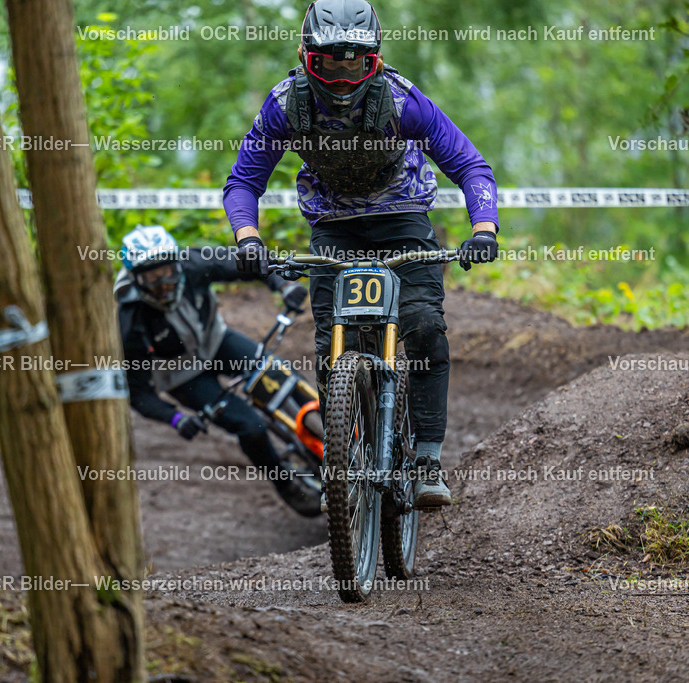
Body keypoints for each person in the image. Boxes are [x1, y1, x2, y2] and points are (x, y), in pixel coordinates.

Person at [224, 0, 499, 509]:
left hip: (403, 216)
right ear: (309, 58)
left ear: (372, 58)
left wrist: (483, 229)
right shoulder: (285, 104)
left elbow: (470, 165)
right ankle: (342, 459)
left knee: (422, 324)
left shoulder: (402, 100)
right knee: (331, 340)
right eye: (330, 61)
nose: (343, 73)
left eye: (355, 61)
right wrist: (248, 238)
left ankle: (428, 459)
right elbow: (244, 181)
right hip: (334, 225)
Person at [114, 225, 322, 517]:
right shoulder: (130, 319)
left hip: (216, 341)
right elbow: (137, 393)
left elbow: (254, 261)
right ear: (136, 279)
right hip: (182, 375)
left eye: (168, 271)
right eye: (152, 277)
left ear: (178, 262)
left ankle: (335, 429)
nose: (164, 283)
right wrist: (175, 419)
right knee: (251, 427)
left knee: (282, 375)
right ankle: (286, 485)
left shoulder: (195, 264)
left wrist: (284, 286)